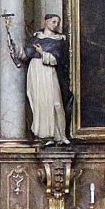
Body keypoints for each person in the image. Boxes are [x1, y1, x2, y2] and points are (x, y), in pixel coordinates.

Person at [25, 15, 70, 144]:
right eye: (53, 21)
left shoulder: (59, 40)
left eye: (57, 23)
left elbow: (57, 59)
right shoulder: (36, 37)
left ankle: (61, 135)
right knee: (41, 102)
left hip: (49, 71)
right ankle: (47, 136)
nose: (55, 25)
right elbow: (27, 54)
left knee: (56, 103)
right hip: (36, 70)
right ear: (46, 21)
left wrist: (42, 52)